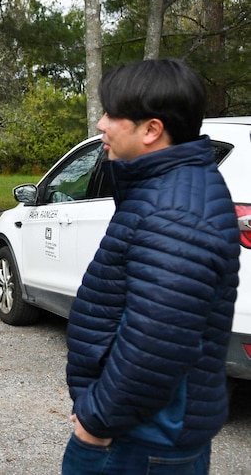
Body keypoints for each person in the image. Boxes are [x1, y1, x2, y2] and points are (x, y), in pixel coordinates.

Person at [62, 59, 240, 474]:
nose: (101, 125)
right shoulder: (169, 191)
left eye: (112, 114)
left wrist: (97, 421)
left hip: (142, 442)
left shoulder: (175, 211)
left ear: (151, 130)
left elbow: (155, 341)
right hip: (146, 434)